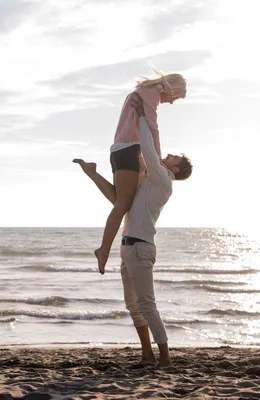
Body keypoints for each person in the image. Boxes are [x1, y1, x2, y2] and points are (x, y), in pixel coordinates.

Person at [73, 94, 192, 367]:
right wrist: (92, 173)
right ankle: (147, 355)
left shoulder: (164, 180)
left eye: (173, 156)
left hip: (140, 247)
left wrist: (141, 114)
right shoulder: (148, 180)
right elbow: (119, 201)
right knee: (133, 306)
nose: (168, 155)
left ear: (176, 168)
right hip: (128, 246)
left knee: (147, 305)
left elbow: (148, 151)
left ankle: (165, 358)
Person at [95, 71, 187, 275]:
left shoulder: (141, 91)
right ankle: (103, 250)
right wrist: (159, 158)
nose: (172, 102)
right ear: (172, 89)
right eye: (175, 98)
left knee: (124, 202)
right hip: (130, 150)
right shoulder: (152, 93)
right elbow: (152, 127)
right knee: (122, 205)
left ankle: (92, 173)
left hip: (118, 150)